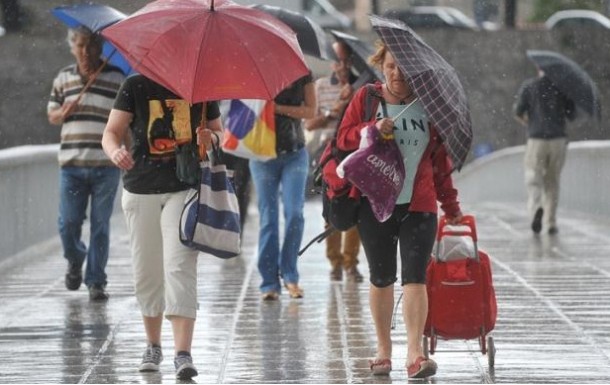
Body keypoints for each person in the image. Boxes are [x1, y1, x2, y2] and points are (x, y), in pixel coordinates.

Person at [336, 41, 463, 379]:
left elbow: (440, 164)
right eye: (390, 66)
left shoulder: (430, 107)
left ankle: (415, 353)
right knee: (380, 277)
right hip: (373, 203)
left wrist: (451, 207)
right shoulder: (368, 99)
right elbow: (342, 138)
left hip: (418, 205)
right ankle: (382, 349)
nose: (396, 73)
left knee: (415, 277)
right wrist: (371, 129)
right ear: (382, 64)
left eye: (403, 68)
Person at [101, 74, 222, 380]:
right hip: (140, 189)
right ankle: (153, 345)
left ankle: (183, 353)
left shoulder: (201, 85)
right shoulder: (135, 85)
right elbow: (111, 132)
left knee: (180, 266)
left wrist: (211, 139)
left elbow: (220, 134)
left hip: (183, 188)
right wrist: (115, 151)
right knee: (147, 270)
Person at [47, 26, 125, 301]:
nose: (85, 51)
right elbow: (52, 115)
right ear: (72, 47)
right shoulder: (64, 78)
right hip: (71, 164)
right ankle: (76, 257)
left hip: (106, 164)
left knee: (101, 224)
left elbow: (126, 121)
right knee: (68, 223)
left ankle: (96, 281)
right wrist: (62, 112)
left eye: (90, 46)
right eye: (79, 45)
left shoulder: (117, 79)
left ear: (100, 48)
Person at [249, 73, 316, 301]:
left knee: (295, 214)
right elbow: (242, 108)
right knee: (268, 217)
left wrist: (277, 108)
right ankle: (269, 282)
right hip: (261, 154)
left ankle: (290, 275)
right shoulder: (253, 70)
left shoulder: (302, 72)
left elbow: (310, 111)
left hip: (294, 153)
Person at [303, 41, 363, 283]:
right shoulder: (321, 86)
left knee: (355, 206)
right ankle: (334, 262)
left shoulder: (361, 88)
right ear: (332, 63)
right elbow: (309, 123)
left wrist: (353, 98)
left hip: (354, 155)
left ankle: (351, 262)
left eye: (347, 61)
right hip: (328, 155)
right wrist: (334, 109)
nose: (343, 66)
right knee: (331, 209)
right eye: (338, 61)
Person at [514, 67, 575, 235]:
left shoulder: (529, 86)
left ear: (538, 68)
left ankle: (536, 208)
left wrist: (531, 122)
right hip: (558, 139)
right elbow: (571, 114)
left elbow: (518, 112)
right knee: (552, 181)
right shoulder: (563, 87)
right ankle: (551, 223)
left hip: (536, 139)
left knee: (533, 177)